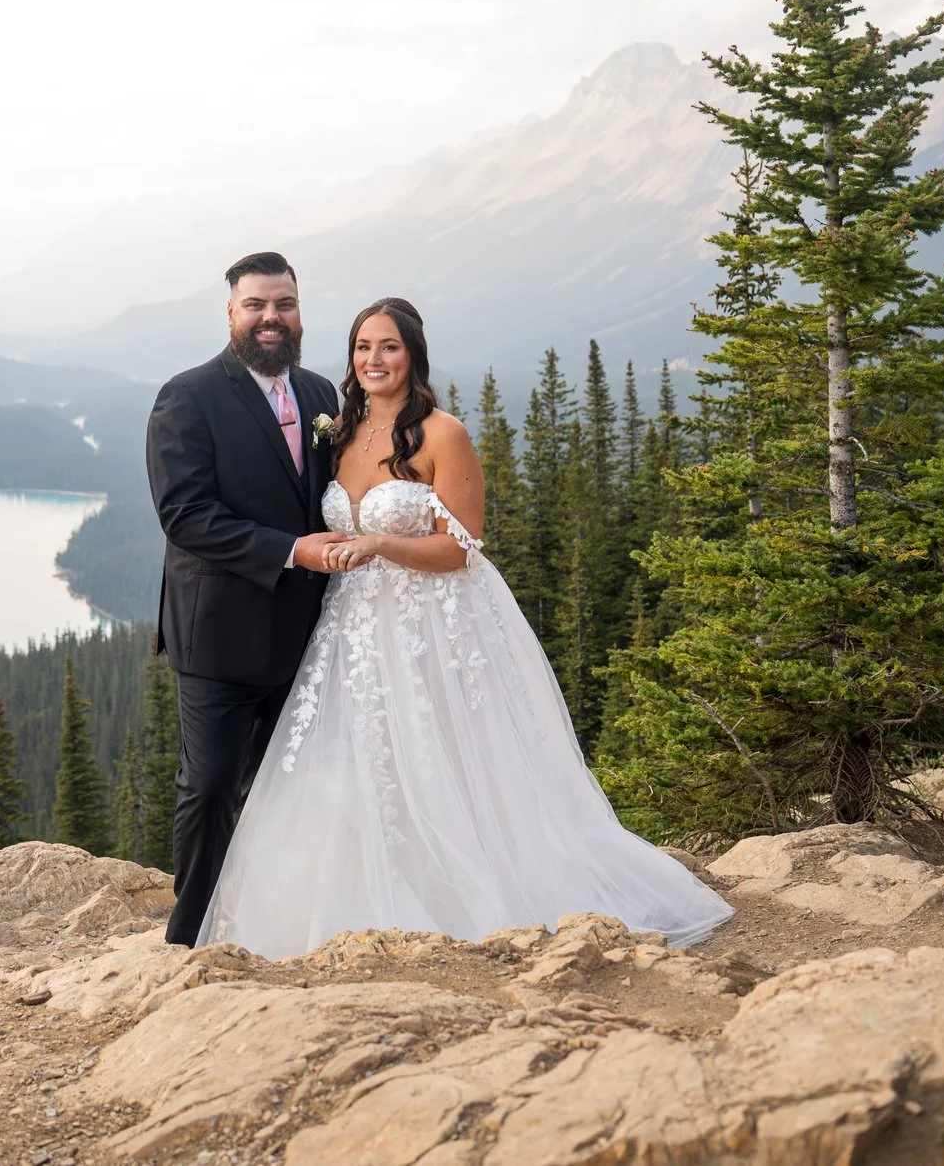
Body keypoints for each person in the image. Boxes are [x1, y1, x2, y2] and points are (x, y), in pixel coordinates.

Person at [196, 296, 733, 957]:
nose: (374, 359)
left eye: (388, 346)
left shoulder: (442, 434)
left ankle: (477, 894)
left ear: (414, 355)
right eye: (363, 347)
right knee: (359, 757)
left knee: (442, 757)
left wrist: (383, 546)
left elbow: (462, 546)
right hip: (354, 627)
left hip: (433, 623)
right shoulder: (340, 433)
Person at [143, 252, 349, 947]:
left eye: (283, 304)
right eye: (256, 304)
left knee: (297, 785)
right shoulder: (188, 395)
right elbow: (185, 514)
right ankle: (189, 934)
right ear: (231, 313)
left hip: (305, 633)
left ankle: (279, 924)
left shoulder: (323, 395)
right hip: (220, 637)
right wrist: (294, 550)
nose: (271, 317)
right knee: (211, 785)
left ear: (299, 311)